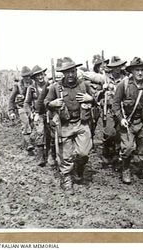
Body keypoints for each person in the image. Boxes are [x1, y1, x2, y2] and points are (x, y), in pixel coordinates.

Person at [44, 57, 95, 195]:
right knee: (65, 156)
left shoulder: (84, 85)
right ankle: (66, 179)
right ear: (63, 73)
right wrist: (52, 104)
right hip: (64, 125)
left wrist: (91, 99)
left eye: (73, 71)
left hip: (81, 123)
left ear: (76, 71)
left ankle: (79, 169)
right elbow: (46, 102)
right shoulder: (55, 87)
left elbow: (95, 99)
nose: (71, 75)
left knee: (83, 153)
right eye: (67, 72)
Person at [112, 57, 143, 184]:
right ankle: (126, 168)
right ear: (132, 71)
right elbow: (115, 104)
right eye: (137, 70)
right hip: (128, 123)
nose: (139, 73)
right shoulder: (124, 85)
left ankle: (138, 167)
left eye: (142, 70)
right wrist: (121, 119)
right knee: (128, 148)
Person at [96, 56, 127, 168]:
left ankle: (116, 155)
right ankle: (106, 151)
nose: (117, 69)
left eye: (119, 66)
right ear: (111, 68)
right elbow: (96, 94)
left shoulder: (126, 79)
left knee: (120, 133)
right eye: (115, 67)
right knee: (109, 133)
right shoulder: (105, 79)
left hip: (121, 109)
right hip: (108, 109)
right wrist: (102, 90)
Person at [26, 65, 49, 166]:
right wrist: (30, 113)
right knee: (40, 133)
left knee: (50, 133)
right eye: (37, 75)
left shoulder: (49, 85)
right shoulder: (31, 89)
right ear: (34, 77)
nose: (40, 77)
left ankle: (50, 155)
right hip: (38, 113)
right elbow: (26, 103)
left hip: (49, 112)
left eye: (41, 74)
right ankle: (40, 157)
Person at [8, 66, 35, 154]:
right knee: (26, 123)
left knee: (32, 124)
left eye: (28, 76)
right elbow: (11, 99)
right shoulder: (18, 85)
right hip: (22, 107)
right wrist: (11, 111)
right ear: (22, 77)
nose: (27, 78)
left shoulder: (34, 83)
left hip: (32, 107)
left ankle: (27, 142)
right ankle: (28, 145)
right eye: (25, 76)